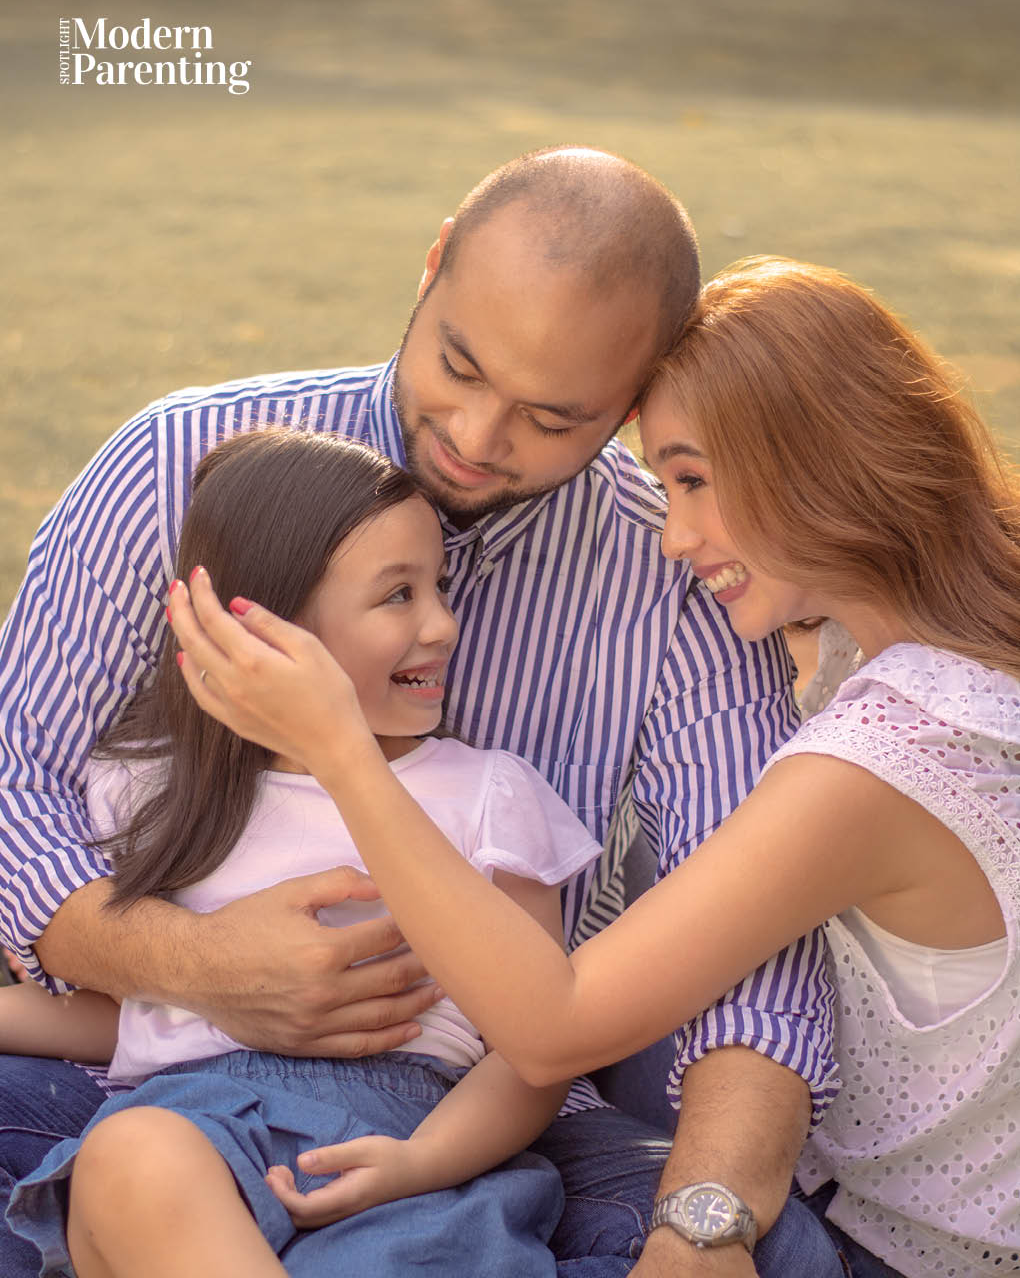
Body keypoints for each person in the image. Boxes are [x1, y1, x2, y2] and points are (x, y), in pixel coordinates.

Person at [0, 148, 827, 1277]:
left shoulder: (673, 570)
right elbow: (16, 788)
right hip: (144, 1083)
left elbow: (753, 938)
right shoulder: (172, 465)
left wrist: (709, 1221)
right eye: (460, 363)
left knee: (768, 1254)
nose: (479, 439)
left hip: (478, 1108)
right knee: (125, 1168)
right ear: (433, 262)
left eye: (551, 414)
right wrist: (193, 964)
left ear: (633, 399)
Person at [160, 257, 1020, 1278]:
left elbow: (550, 1028)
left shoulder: (879, 759)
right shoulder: (926, 661)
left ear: (820, 459)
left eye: (695, 480)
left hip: (907, 1247)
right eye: (664, 486)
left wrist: (340, 750)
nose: (674, 536)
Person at [7, 428, 603, 1277]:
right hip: (194, 1133)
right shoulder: (158, 792)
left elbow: (538, 1045)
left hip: (413, 1148)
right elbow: (147, 1015)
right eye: (399, 595)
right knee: (135, 1156)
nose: (443, 623)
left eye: (439, 585)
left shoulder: (487, 796)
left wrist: (427, 1161)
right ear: (271, 625)